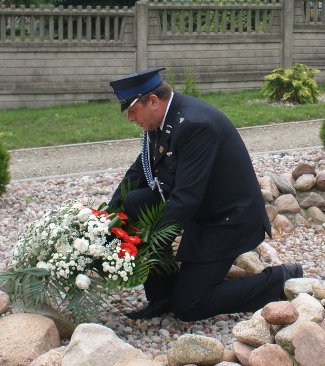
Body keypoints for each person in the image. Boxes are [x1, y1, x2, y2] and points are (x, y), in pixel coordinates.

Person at [107, 67, 303, 320]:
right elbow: (139, 172)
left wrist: (151, 244)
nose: (130, 119)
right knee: (134, 202)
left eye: (132, 111)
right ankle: (162, 295)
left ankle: (281, 279)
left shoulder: (195, 125)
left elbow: (186, 198)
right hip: (203, 209)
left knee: (190, 304)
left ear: (153, 101)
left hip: (228, 220)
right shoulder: (162, 120)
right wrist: (106, 215)